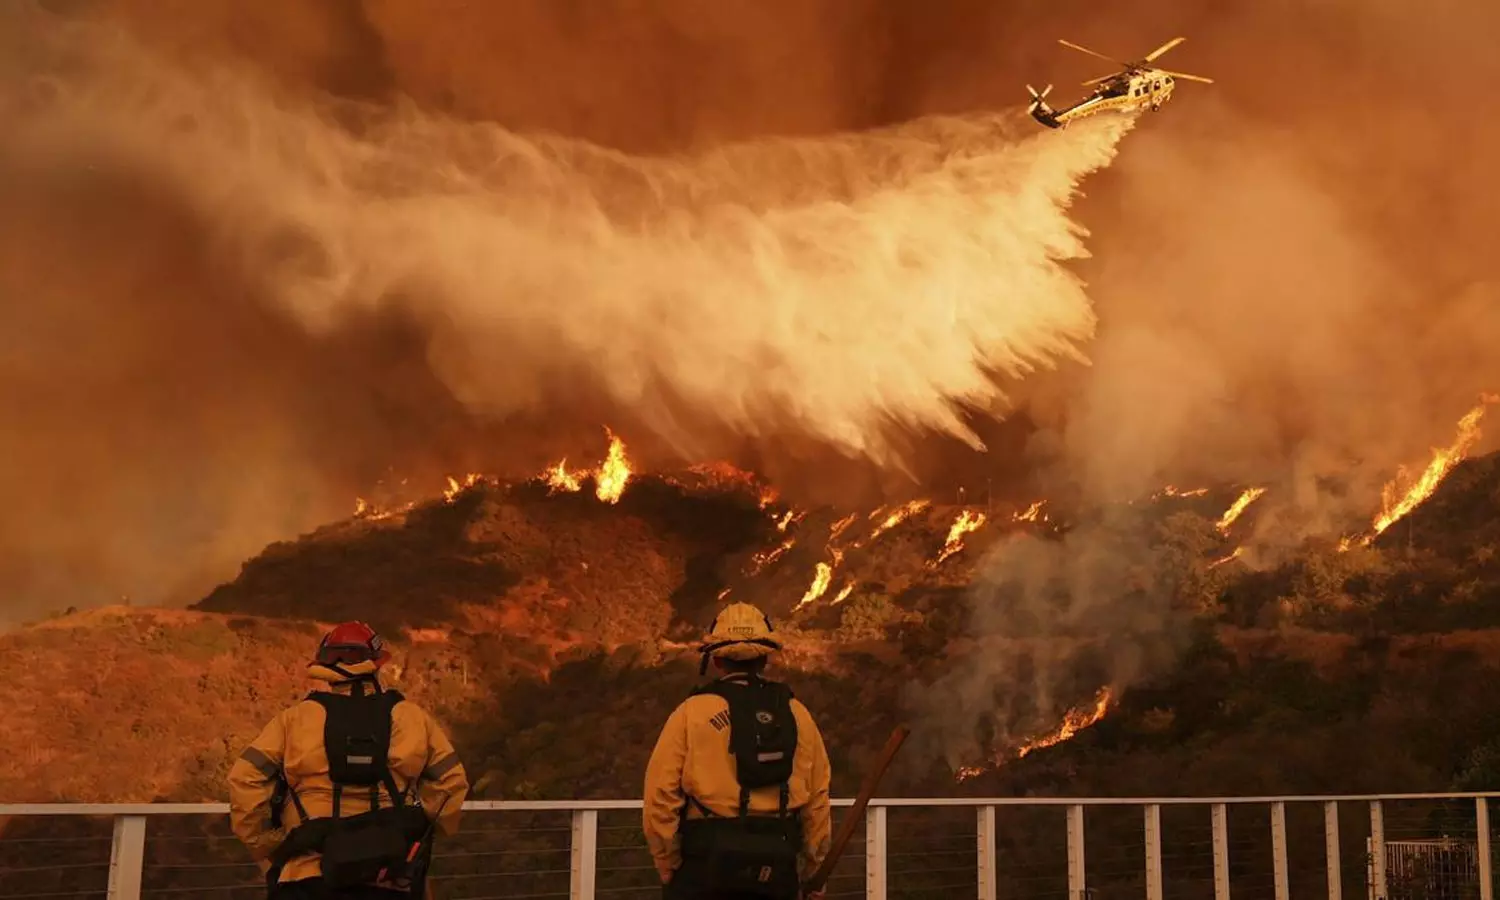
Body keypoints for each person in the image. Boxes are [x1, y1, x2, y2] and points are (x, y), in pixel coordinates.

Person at [228, 621, 470, 899]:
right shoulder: (412, 718)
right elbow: (451, 784)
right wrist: (416, 830)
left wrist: (268, 844)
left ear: (325, 666)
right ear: (377, 664)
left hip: (306, 875)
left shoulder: (292, 720)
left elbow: (244, 778)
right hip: (388, 876)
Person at [643, 602, 832, 900]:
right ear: (765, 659)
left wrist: (668, 863)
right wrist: (813, 871)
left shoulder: (691, 713)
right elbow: (817, 798)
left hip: (704, 868)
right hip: (777, 866)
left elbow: (660, 796)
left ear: (716, 658)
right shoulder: (797, 713)